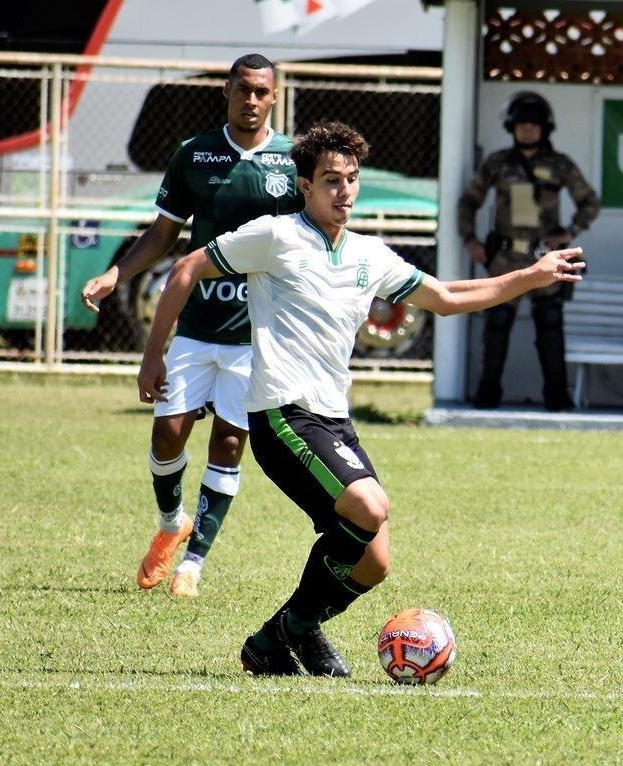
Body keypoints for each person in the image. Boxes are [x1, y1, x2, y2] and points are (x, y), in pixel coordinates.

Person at [136, 121, 584, 677]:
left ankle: (283, 636)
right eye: (330, 180)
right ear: (304, 186)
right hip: (281, 414)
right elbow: (185, 267)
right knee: (371, 508)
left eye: (351, 179)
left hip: (333, 422)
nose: (343, 191)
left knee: (374, 563)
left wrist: (531, 275)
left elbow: (445, 297)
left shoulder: (369, 255)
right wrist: (156, 355)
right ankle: (290, 634)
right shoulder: (274, 235)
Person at [79, 53, 301, 598]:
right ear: (226, 91)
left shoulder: (294, 161)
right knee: (166, 435)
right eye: (243, 90)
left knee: (228, 443)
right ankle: (171, 522)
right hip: (196, 328)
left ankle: (193, 564)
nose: (251, 100)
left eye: (261, 92)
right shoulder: (194, 154)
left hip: (255, 337)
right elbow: (162, 234)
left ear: (275, 96)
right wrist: (117, 272)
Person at [457, 91, 600, 411]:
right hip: (506, 256)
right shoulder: (498, 162)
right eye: (522, 123)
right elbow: (468, 201)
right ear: (511, 126)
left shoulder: (559, 164)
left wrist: (571, 232)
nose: (528, 129)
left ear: (545, 127)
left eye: (534, 124)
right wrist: (470, 240)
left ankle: (557, 398)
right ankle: (487, 395)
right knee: (497, 323)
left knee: (550, 322)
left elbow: (590, 201)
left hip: (545, 255)